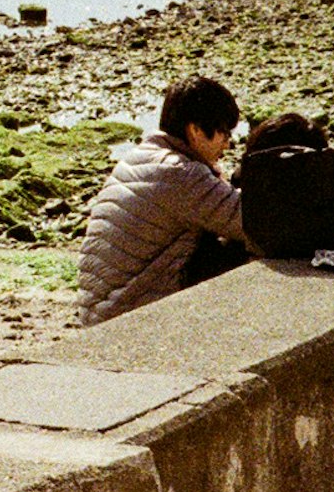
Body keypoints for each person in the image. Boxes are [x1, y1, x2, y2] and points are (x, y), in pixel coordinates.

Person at [76, 77, 249, 325]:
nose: (227, 142)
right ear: (196, 130)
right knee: (242, 250)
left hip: (101, 310)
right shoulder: (180, 173)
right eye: (223, 132)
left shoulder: (143, 156)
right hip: (125, 314)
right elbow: (252, 221)